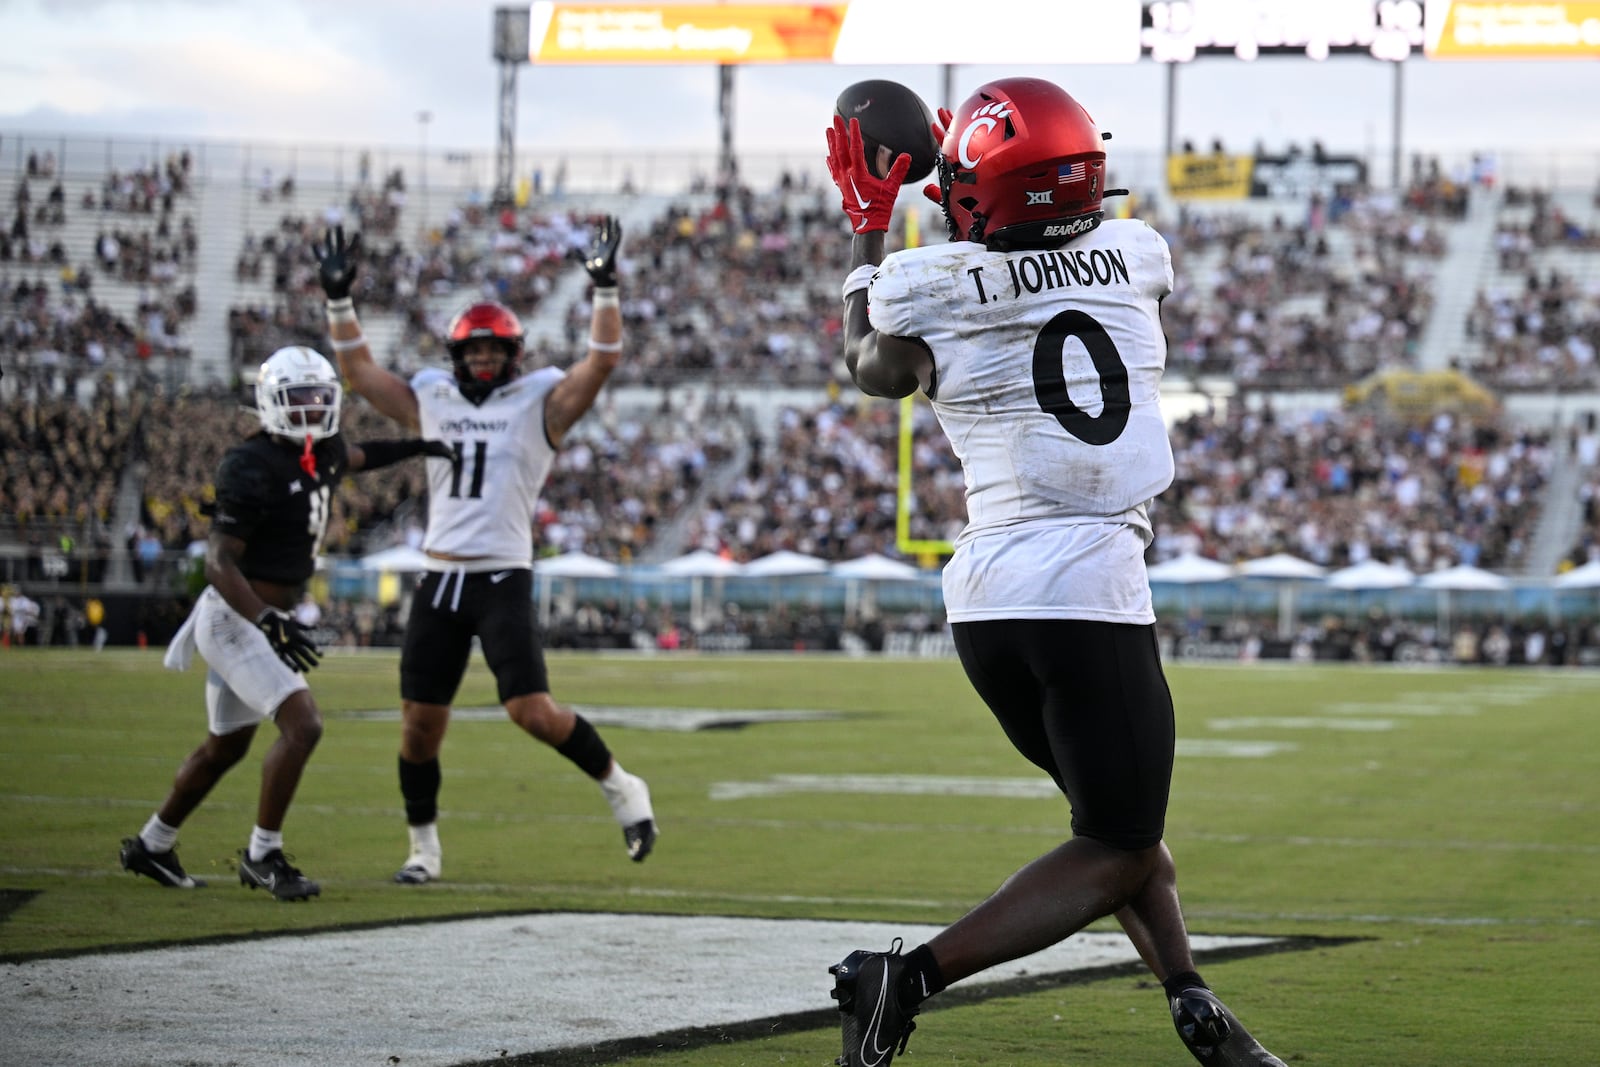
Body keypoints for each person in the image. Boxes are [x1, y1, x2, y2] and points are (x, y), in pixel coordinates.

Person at [822, 78, 1285, 1067]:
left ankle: (1194, 999)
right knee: (1118, 840)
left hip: (990, 601)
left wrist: (868, 227)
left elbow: (872, 365)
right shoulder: (1138, 254)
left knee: (1115, 830)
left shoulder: (924, 282)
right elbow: (1042, 248)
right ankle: (902, 978)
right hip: (1086, 585)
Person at [311, 216, 656, 885]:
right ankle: (423, 849)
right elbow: (356, 370)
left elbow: (602, 361)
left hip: (502, 576)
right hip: (439, 578)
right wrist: (339, 299)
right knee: (418, 728)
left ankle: (622, 787)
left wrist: (606, 288)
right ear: (456, 355)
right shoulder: (432, 398)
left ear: (514, 355)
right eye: (474, 352)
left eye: (495, 352)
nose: (483, 362)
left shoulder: (540, 403)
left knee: (530, 710)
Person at [120, 346, 454, 901]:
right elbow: (219, 561)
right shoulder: (250, 464)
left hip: (259, 620)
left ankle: (152, 845)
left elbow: (360, 454)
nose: (309, 409)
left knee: (224, 749)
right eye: (297, 399)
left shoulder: (320, 450)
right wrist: (268, 620)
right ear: (270, 402)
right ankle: (262, 855)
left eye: (319, 398)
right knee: (304, 726)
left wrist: (419, 446)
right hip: (236, 617)